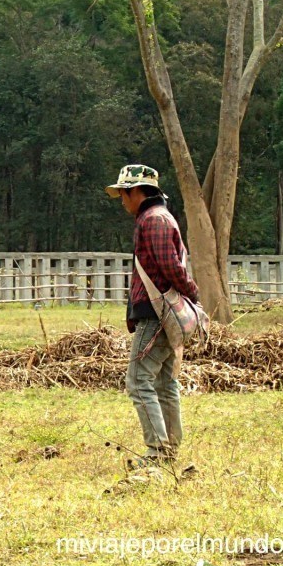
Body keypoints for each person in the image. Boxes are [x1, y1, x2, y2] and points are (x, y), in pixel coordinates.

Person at [105, 164, 200, 468]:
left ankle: (158, 451)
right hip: (161, 311)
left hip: (156, 313)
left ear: (136, 192)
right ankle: (169, 448)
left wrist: (192, 292)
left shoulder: (153, 219)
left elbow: (171, 267)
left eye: (123, 194)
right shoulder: (157, 217)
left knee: (138, 381)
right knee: (163, 382)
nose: (122, 201)